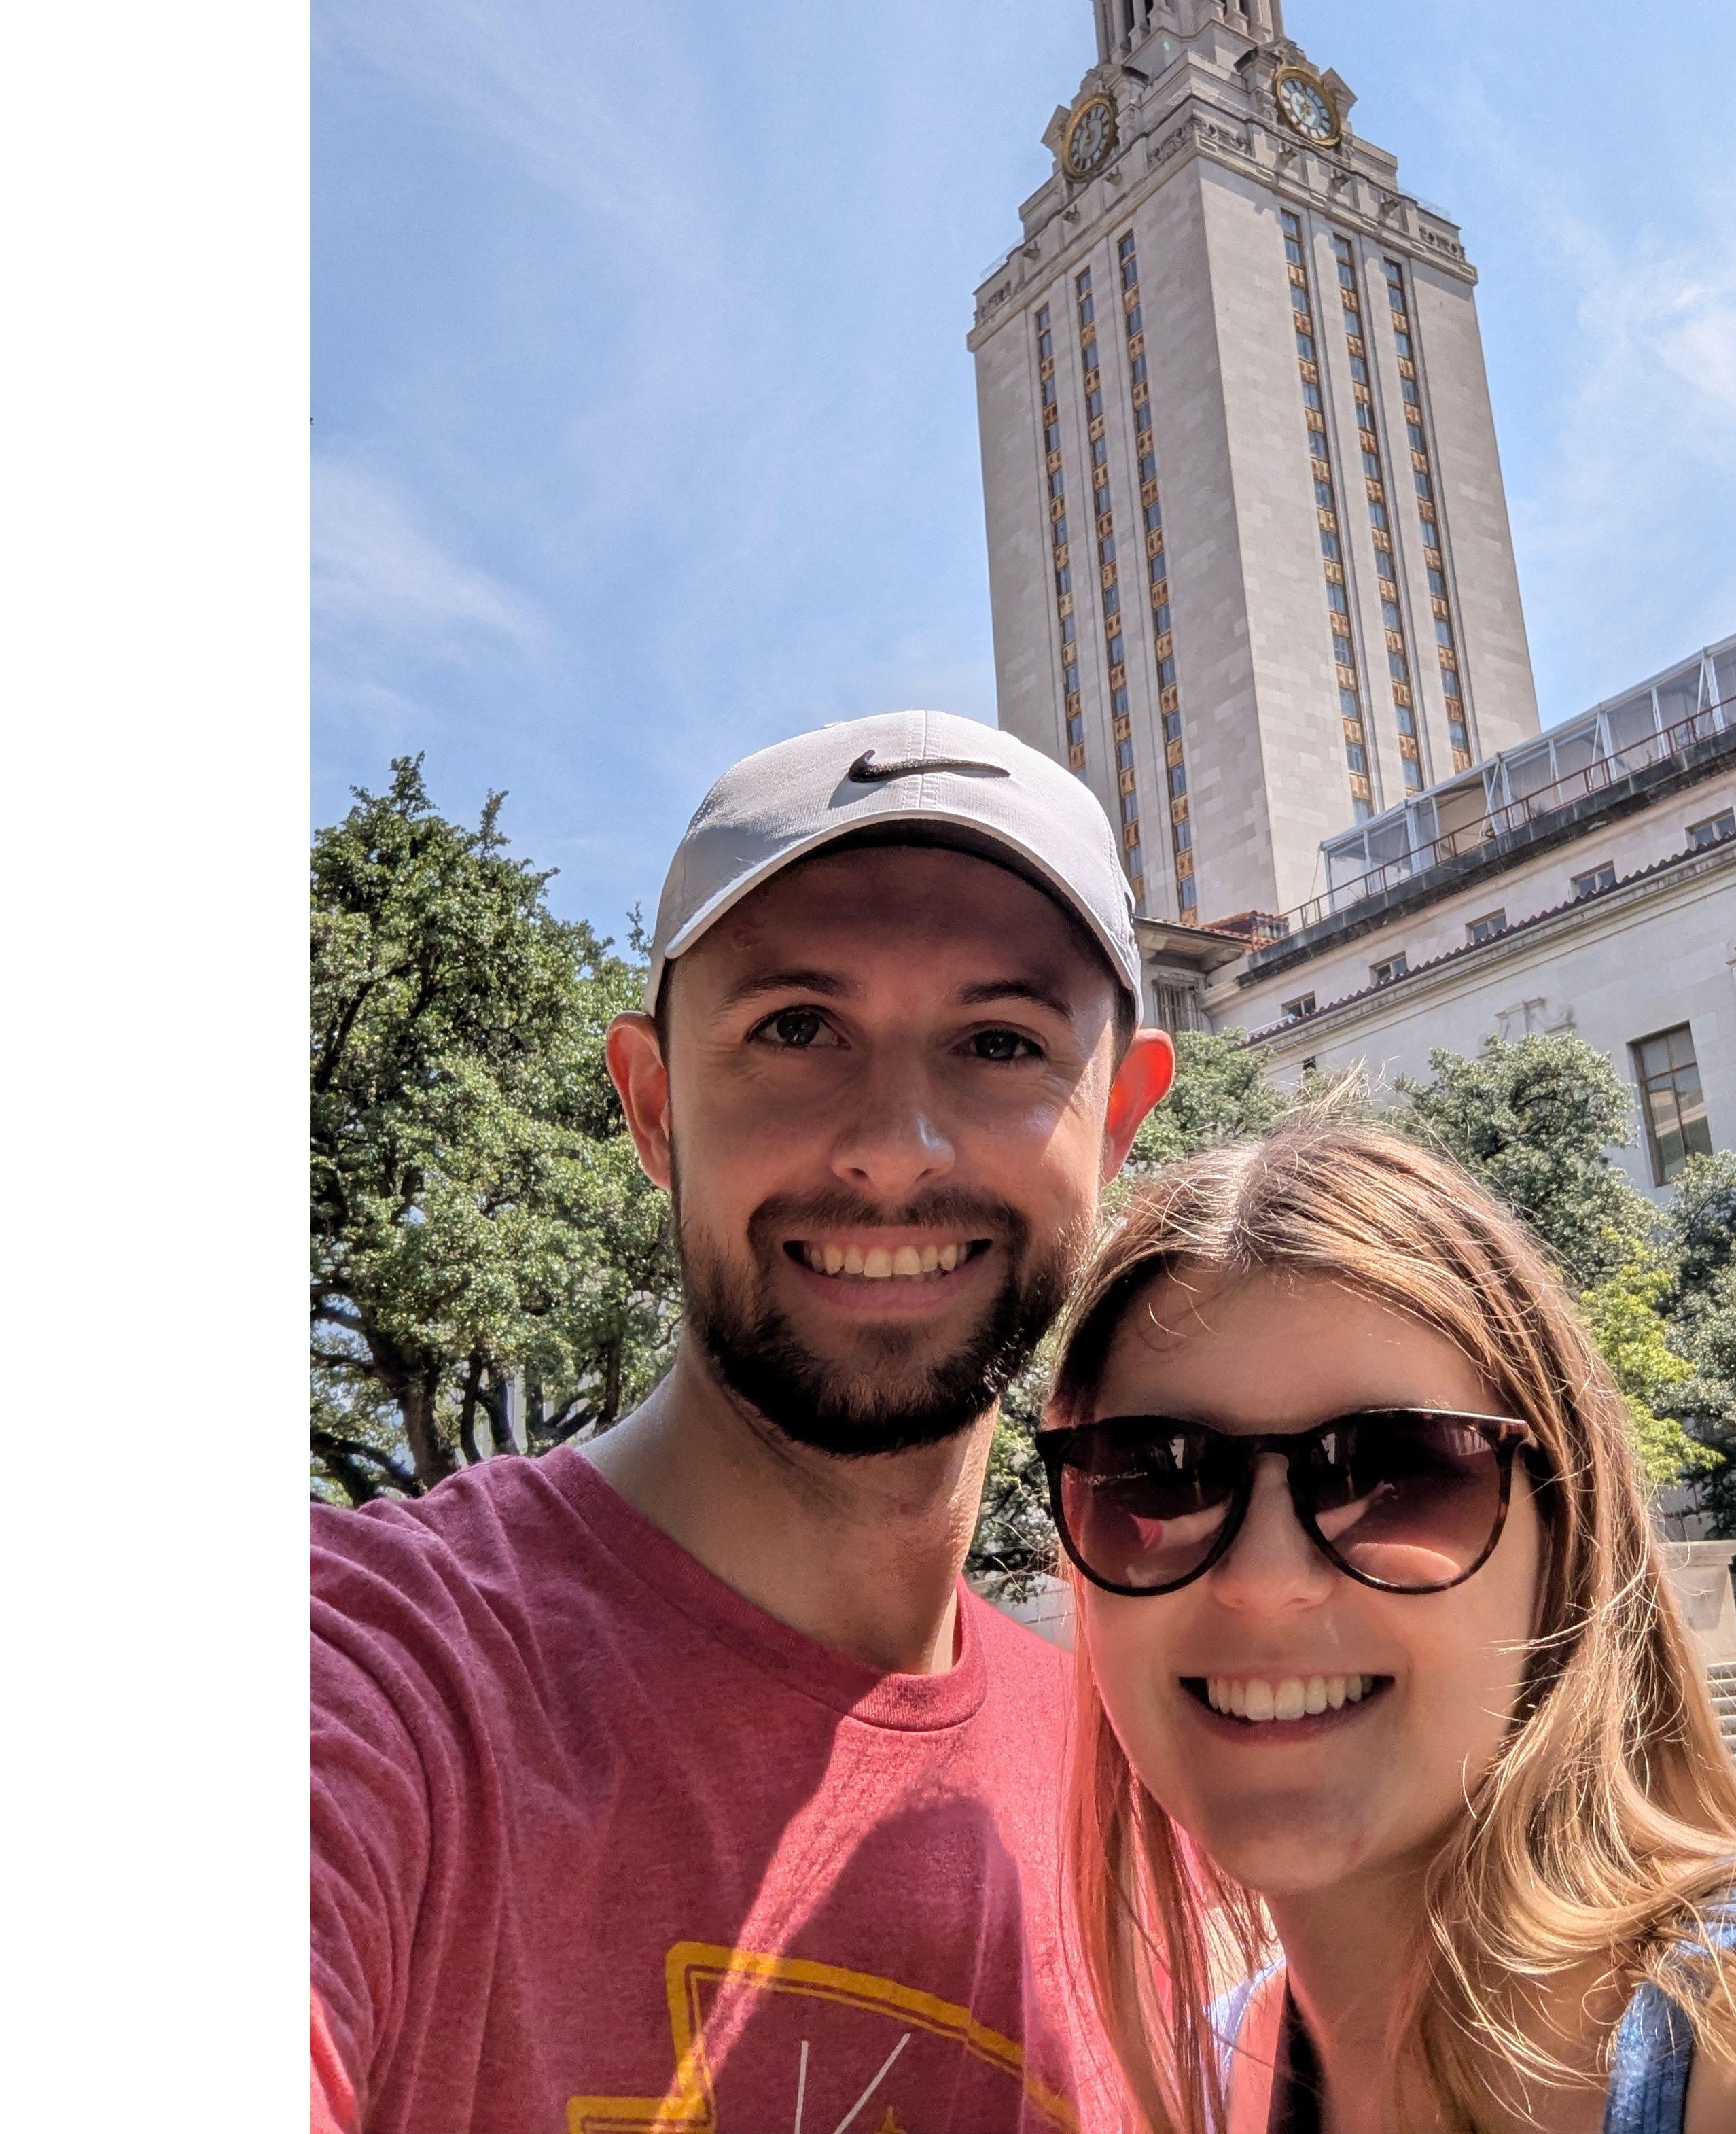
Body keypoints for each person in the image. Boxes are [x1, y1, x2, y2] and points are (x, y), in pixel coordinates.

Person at [311, 711, 1175, 2133]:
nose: (897, 1145)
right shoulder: (373, 1667)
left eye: (1002, 1041)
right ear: (653, 1105)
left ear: (1121, 1117)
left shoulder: (1151, 1797)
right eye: (795, 1027)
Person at [1038, 1119, 1736, 2134]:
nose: (1266, 1579)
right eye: (1156, 1477)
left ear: (1564, 1542)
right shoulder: (1208, 2080)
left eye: (1397, 1471)